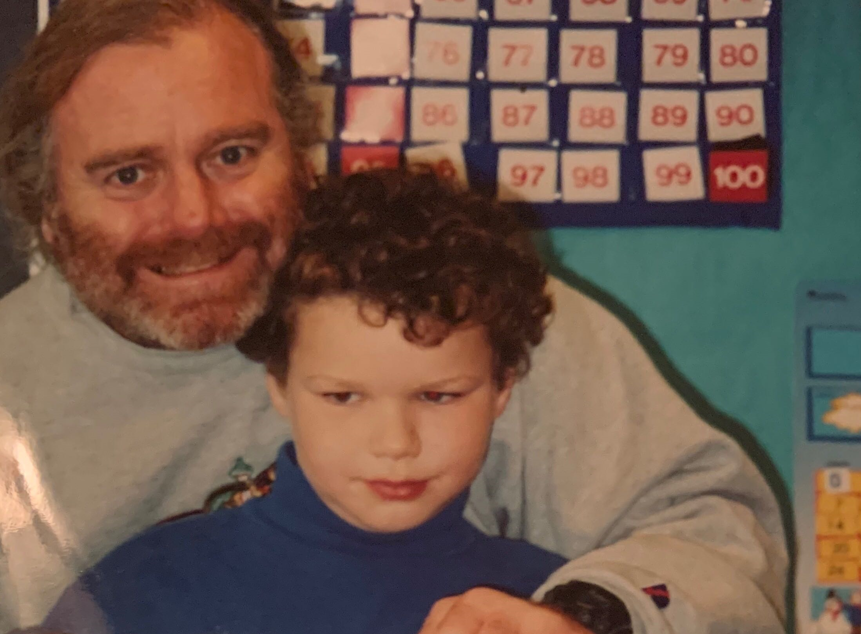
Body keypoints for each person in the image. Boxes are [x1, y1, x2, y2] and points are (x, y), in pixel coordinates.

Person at [0, 0, 787, 632]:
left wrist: (585, 615)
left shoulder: (452, 305)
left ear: (296, 143)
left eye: (233, 154)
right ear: (48, 203)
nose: (195, 216)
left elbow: (720, 540)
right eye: (129, 173)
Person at [40, 168, 572, 633]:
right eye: (343, 396)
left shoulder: (544, 603)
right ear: (279, 386)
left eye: (438, 395)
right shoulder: (140, 593)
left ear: (503, 387)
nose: (395, 443)